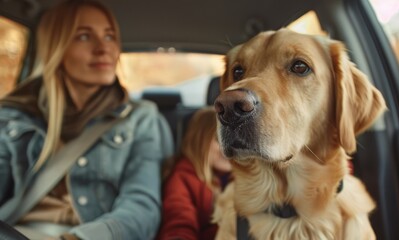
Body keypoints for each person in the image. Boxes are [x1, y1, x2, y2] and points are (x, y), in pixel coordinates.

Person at [0, 0, 173, 239]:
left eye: (110, 36)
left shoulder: (139, 118)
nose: (104, 48)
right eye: (84, 37)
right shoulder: (13, 116)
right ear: (56, 49)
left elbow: (141, 207)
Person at [156, 107, 232, 240]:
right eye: (219, 139)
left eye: (233, 140)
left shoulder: (242, 178)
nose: (229, 148)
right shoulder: (182, 178)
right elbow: (179, 222)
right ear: (199, 140)